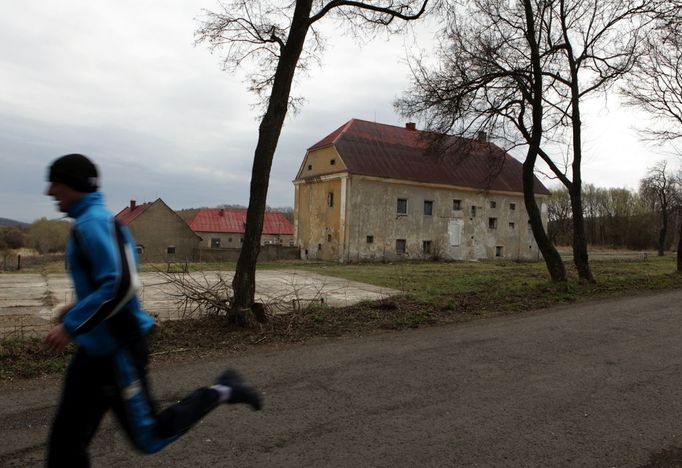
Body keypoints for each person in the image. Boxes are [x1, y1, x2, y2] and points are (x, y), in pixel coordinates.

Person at [43, 154, 262, 467]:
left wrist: (70, 326)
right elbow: (107, 281)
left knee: (149, 436)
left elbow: (121, 284)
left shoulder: (93, 224)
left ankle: (222, 390)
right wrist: (75, 307)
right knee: (65, 447)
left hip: (117, 350)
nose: (50, 191)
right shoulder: (91, 222)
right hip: (93, 351)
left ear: (73, 185)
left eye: (55, 183)